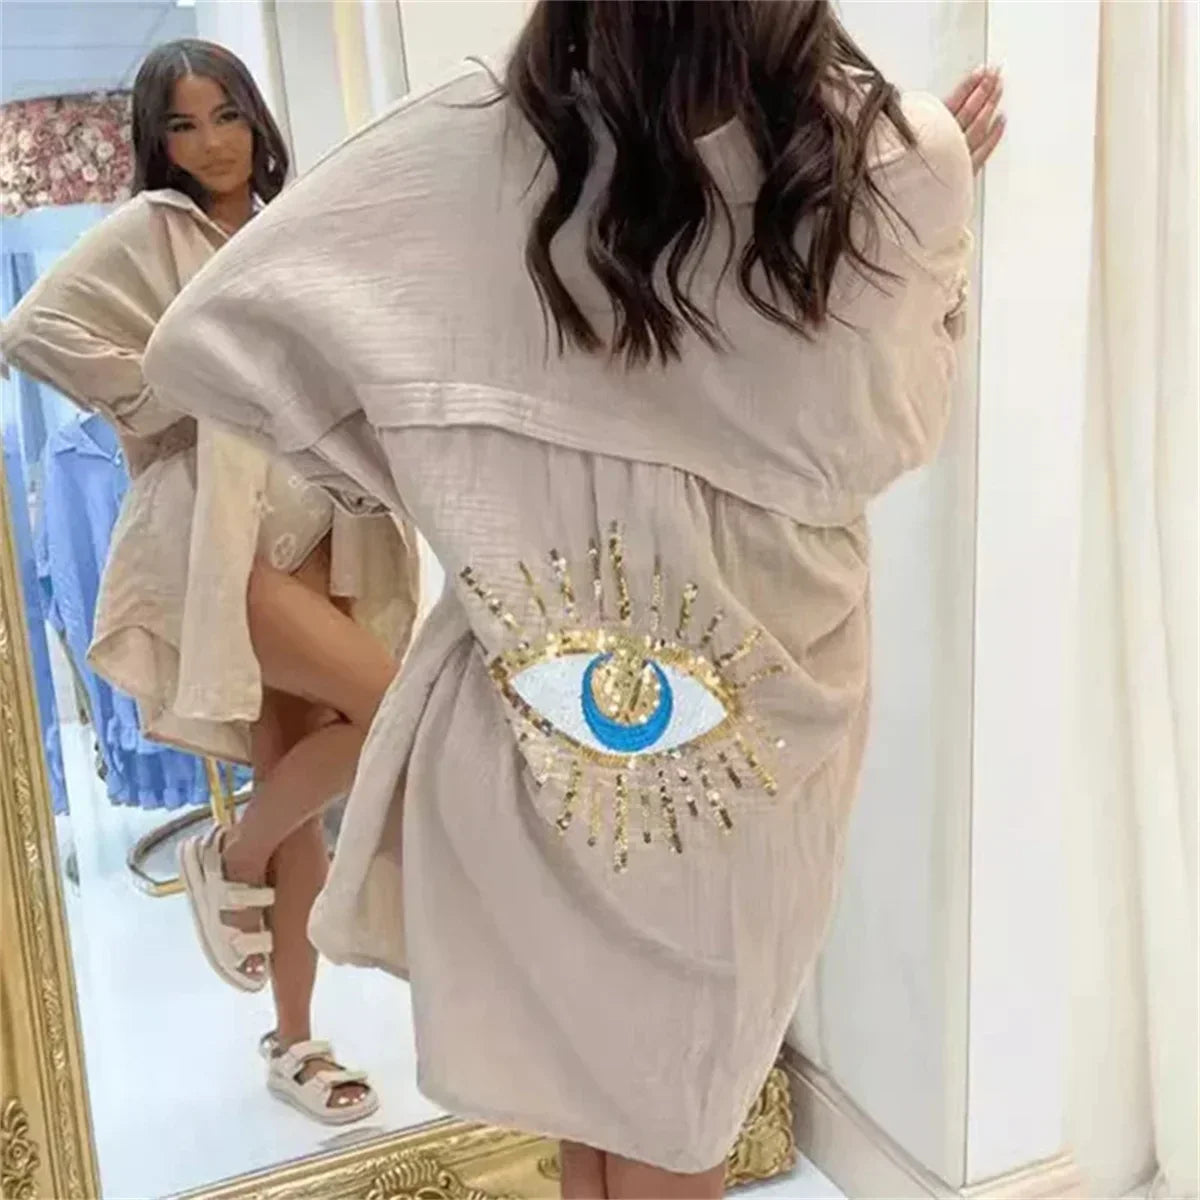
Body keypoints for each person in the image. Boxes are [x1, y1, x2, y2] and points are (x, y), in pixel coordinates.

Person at [144, 3, 1003, 1195]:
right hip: (755, 734)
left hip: (538, 715)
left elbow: (210, 333)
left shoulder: (491, 146)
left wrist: (450, 472)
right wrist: (921, 242)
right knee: (673, 1123)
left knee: (596, 1121)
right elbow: (895, 428)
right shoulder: (893, 157)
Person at [0, 39, 418, 1126]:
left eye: (227, 114)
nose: (212, 142)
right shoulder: (153, 229)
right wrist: (170, 398)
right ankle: (229, 849)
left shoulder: (295, 221)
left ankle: (293, 1039)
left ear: (255, 119)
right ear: (159, 141)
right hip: (227, 539)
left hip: (327, 522)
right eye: (183, 125)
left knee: (299, 782)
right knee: (398, 710)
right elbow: (32, 329)